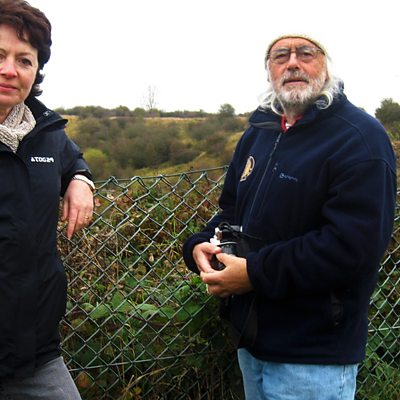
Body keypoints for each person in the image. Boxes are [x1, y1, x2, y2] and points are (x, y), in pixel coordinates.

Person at [183, 33, 397, 399]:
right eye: (281, 55)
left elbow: (352, 248)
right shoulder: (259, 133)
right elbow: (232, 211)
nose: (293, 63)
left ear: (326, 65)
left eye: (306, 53)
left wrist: (253, 273)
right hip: (252, 342)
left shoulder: (360, 138)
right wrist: (200, 244)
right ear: (268, 70)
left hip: (313, 354)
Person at [0, 1, 94, 398]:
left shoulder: (46, 133)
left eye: (24, 60)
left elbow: (72, 159)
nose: (10, 70)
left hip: (36, 352)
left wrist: (80, 179)